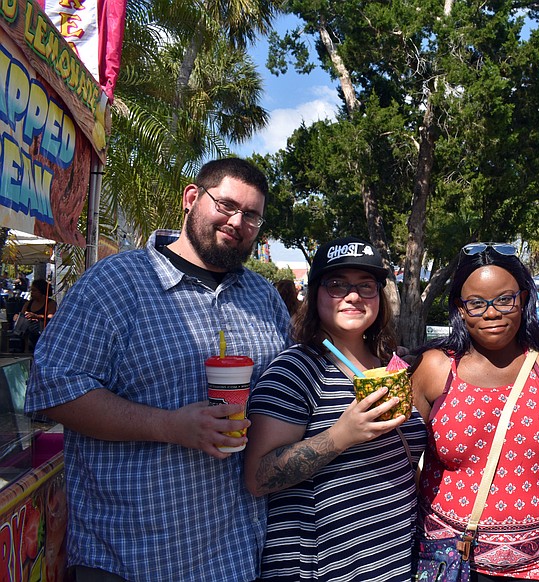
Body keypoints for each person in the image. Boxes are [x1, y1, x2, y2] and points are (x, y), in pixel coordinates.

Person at [25, 157, 291, 581]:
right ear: (191, 198)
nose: (237, 222)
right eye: (226, 205)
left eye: (252, 216)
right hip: (133, 560)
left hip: (238, 558)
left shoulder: (263, 298)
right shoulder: (116, 283)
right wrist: (169, 426)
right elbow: (53, 389)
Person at [244, 236, 427, 581]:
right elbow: (257, 477)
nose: (353, 296)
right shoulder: (295, 370)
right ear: (315, 294)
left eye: (366, 285)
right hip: (321, 566)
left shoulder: (388, 366)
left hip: (392, 563)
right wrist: (341, 435)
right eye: (337, 284)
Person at [412, 242, 539, 581]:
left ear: (524, 299)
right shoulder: (436, 368)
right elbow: (404, 460)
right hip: (450, 565)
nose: (491, 313)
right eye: (476, 303)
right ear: (460, 309)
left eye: (504, 299)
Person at [10, 279, 56, 350]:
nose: (32, 293)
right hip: (26, 328)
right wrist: (18, 317)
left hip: (42, 330)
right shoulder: (28, 303)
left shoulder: (50, 303)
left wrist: (37, 316)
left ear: (42, 291)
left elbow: (50, 317)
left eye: (34, 291)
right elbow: (22, 314)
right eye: (31, 290)